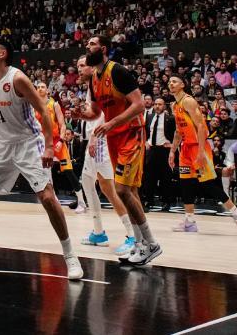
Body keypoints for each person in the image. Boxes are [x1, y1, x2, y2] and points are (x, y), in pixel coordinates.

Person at [0, 40, 84, 280]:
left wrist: (48, 147)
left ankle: (70, 256)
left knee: (46, 196)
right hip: (2, 145)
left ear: (3, 54)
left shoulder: (18, 78)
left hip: (28, 142)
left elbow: (43, 110)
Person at [78, 35, 162, 265]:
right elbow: (95, 112)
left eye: (92, 44)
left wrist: (113, 122)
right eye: (87, 45)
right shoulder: (93, 77)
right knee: (130, 191)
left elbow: (139, 104)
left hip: (131, 133)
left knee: (122, 189)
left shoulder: (118, 71)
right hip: (113, 137)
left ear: (103, 49)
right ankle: (139, 244)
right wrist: (81, 115)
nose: (88, 47)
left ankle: (151, 243)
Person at [168, 76, 237, 236]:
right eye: (169, 82)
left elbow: (201, 127)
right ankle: (190, 221)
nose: (171, 83)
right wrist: (172, 151)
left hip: (199, 147)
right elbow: (178, 131)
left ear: (183, 84)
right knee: (186, 184)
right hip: (185, 148)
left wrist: (199, 152)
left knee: (208, 185)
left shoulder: (188, 101)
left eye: (175, 81)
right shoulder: (174, 105)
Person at [74, 56, 135, 254]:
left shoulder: (103, 83)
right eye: (78, 66)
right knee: (87, 182)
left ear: (92, 67)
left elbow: (106, 115)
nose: (79, 69)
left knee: (110, 189)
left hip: (103, 140)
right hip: (95, 139)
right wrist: (81, 116)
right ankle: (98, 232)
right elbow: (94, 114)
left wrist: (93, 137)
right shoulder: (92, 85)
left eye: (82, 66)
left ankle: (132, 235)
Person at [34, 81, 81, 209]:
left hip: (56, 141)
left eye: (43, 87)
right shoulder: (33, 105)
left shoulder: (54, 104)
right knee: (45, 172)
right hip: (42, 142)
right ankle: (52, 200)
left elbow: (62, 124)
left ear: (47, 90)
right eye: (38, 87)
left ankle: (81, 201)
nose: (40, 89)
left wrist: (61, 140)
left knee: (68, 170)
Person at [142, 96, 177, 212]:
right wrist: (146, 142)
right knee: (149, 177)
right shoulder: (149, 117)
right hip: (151, 150)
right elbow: (146, 132)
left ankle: (166, 202)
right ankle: (148, 200)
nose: (157, 106)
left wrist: (172, 145)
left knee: (165, 178)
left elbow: (177, 134)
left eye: (160, 104)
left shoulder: (170, 118)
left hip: (164, 150)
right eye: (156, 104)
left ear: (164, 106)